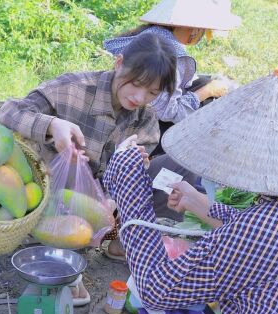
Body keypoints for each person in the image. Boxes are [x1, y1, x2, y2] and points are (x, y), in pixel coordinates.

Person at [103, 72, 278, 314]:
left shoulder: (262, 228)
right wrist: (201, 204)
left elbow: (156, 288)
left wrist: (131, 183)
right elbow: (270, 238)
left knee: (167, 304)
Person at [0, 32, 177, 301]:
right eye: (136, 84)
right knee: (72, 170)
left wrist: (124, 180)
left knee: (172, 170)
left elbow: (136, 166)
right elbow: (8, 112)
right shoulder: (73, 88)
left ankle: (118, 240)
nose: (139, 97)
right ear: (118, 63)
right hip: (49, 192)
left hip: (103, 201)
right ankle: (65, 264)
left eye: (152, 92)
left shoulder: (145, 119)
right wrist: (52, 125)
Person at [103, 0, 242, 223]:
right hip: (144, 129)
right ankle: (155, 217)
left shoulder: (149, 37)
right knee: (189, 149)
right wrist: (207, 91)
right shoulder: (172, 56)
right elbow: (168, 110)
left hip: (125, 128)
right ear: (194, 29)